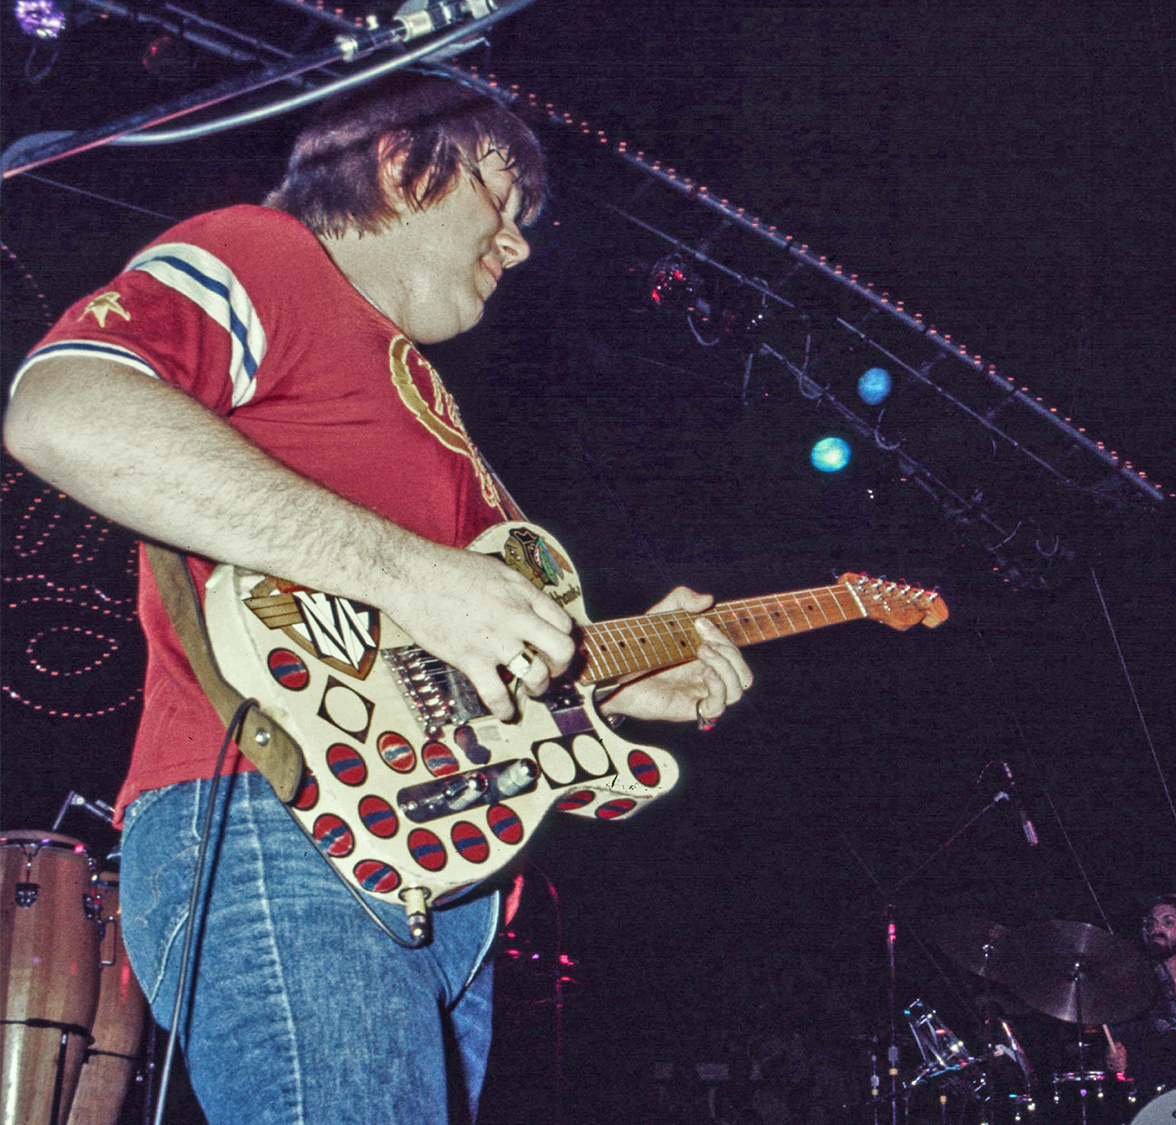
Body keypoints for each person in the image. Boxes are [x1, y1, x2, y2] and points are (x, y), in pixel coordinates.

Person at [4, 75, 752, 1124]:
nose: (521, 244)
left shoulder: (434, 421)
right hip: (285, 828)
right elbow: (63, 409)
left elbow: (427, 674)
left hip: (440, 872)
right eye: (502, 198)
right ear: (405, 166)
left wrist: (599, 687)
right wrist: (412, 573)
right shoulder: (264, 253)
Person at [1106, 893, 1176, 1094]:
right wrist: (1116, 1059)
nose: (1157, 929)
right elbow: (1118, 1044)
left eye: (1168, 922)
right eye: (1152, 924)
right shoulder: (1134, 985)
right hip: (1158, 1094)